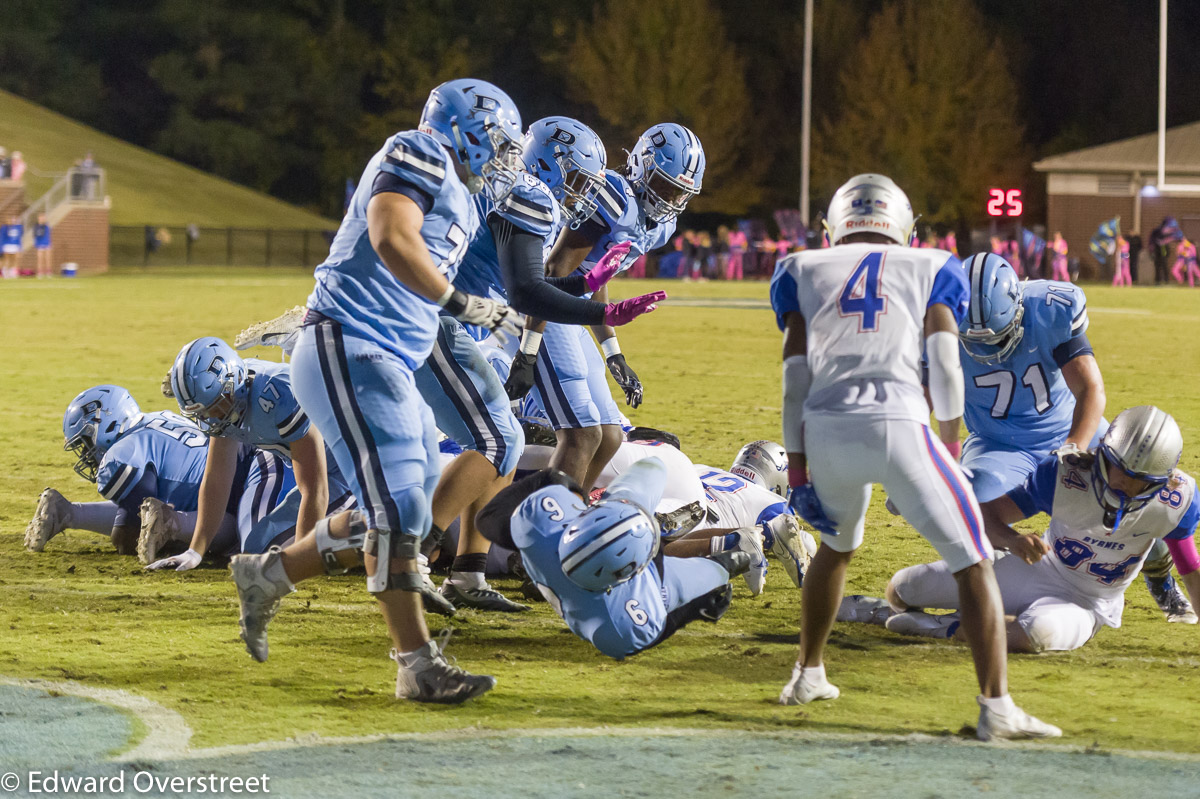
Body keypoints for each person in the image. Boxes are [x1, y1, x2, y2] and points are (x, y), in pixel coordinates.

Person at [234, 79, 524, 703]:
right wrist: (460, 303)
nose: (502, 157)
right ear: (462, 129)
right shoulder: (419, 151)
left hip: (388, 357)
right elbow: (392, 235)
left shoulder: (467, 197)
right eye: (497, 141)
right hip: (351, 344)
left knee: (397, 511)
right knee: (399, 510)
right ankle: (417, 665)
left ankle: (268, 573)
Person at [769, 173, 1059, 741]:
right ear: (904, 225)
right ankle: (997, 707)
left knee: (836, 546)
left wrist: (799, 469)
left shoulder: (799, 268)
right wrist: (949, 451)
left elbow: (794, 380)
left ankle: (807, 673)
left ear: (835, 225)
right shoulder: (932, 264)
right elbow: (946, 367)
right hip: (901, 425)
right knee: (973, 560)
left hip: (826, 430)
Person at [428, 115, 664, 613]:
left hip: (469, 318)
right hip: (445, 320)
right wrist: (536, 349)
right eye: (578, 181)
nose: (584, 196)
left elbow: (552, 282)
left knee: (515, 440)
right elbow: (533, 288)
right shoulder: (530, 196)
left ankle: (468, 570)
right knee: (512, 439)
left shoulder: (542, 201)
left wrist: (610, 341)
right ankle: (410, 560)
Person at [878, 407, 1200, 652]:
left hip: (1089, 603)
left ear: (1162, 481)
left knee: (1035, 634)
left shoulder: (1175, 502)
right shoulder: (1065, 476)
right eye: (1117, 468)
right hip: (1039, 569)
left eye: (1138, 479)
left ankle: (942, 628)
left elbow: (1191, 569)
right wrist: (1012, 540)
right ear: (1103, 453)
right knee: (904, 588)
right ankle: (939, 616)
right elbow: (987, 514)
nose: (1122, 483)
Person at [508, 124, 703, 491]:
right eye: (664, 186)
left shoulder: (658, 226)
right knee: (583, 435)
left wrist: (614, 352)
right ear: (641, 167)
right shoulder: (615, 198)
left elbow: (594, 280)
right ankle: (545, 522)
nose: (670, 200)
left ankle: (573, 507)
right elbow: (555, 272)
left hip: (569, 312)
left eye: (680, 193)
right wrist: (528, 351)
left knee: (611, 437)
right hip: (545, 311)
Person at [474, 457, 750, 659]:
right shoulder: (619, 625)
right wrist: (693, 611)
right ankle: (719, 552)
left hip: (606, 537)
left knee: (654, 466)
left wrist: (554, 480)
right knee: (719, 572)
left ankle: (637, 520)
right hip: (646, 581)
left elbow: (486, 520)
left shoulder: (541, 523)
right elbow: (647, 635)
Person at [147, 338, 355, 574]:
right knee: (258, 547)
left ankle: (382, 536)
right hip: (324, 465)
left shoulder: (279, 397)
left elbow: (315, 488)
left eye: (213, 406)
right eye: (201, 412)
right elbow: (217, 478)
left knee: (297, 551)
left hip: (357, 469)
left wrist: (300, 563)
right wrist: (195, 552)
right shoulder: (228, 392)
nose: (210, 417)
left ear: (234, 382)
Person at [40, 385, 289, 561]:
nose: (85, 454)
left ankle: (174, 523)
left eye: (85, 443)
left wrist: (167, 535)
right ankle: (69, 512)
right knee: (150, 514)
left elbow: (125, 538)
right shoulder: (157, 418)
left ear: (107, 425)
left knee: (246, 541)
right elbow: (140, 511)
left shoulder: (120, 453)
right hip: (233, 462)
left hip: (245, 475)